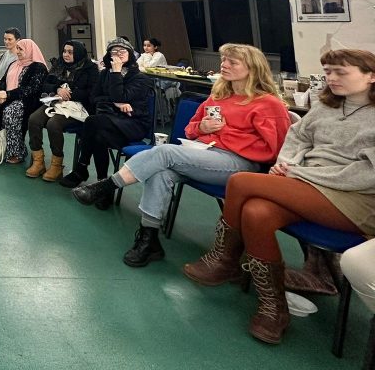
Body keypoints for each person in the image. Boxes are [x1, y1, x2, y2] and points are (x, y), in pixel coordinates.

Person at [183, 48, 375, 345]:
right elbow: (297, 138)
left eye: (341, 72)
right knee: (256, 212)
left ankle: (224, 259)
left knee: (241, 182)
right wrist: (288, 164)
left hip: (354, 199)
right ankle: (273, 308)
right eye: (327, 72)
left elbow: (366, 175)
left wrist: (302, 174)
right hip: (306, 185)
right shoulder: (326, 106)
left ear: (371, 76)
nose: (331, 79)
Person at [73, 43, 290, 267]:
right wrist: (202, 129)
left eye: (232, 62)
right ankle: (149, 239)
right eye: (223, 60)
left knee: (165, 153)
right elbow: (190, 128)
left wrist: (224, 133)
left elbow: (275, 149)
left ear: (252, 69)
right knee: (162, 172)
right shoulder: (219, 96)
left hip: (239, 163)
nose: (223, 65)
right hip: (205, 154)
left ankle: (107, 186)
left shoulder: (267, 104)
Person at [58, 37, 152, 189]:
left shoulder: (140, 78)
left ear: (130, 54)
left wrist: (116, 74)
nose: (118, 54)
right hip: (108, 121)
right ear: (109, 56)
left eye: (122, 51)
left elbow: (120, 96)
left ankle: (81, 168)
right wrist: (116, 103)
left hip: (133, 123)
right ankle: (102, 184)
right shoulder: (104, 75)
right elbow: (94, 97)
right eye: (114, 51)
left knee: (92, 122)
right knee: (98, 136)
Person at [26, 40, 96, 181]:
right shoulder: (58, 65)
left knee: (53, 124)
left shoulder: (90, 68)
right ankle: (38, 161)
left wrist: (69, 94)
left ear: (78, 53)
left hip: (76, 106)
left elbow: (92, 93)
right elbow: (45, 85)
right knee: (33, 119)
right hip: (55, 101)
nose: (66, 55)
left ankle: (57, 165)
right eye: (64, 51)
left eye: (70, 52)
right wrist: (57, 89)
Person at [0, 38, 49, 164]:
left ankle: (18, 152)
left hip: (28, 101)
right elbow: (3, 81)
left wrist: (7, 94)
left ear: (29, 50)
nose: (17, 51)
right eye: (17, 48)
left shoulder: (38, 67)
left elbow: (31, 90)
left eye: (20, 49)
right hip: (10, 97)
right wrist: (1, 93)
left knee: (10, 112)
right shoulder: (14, 64)